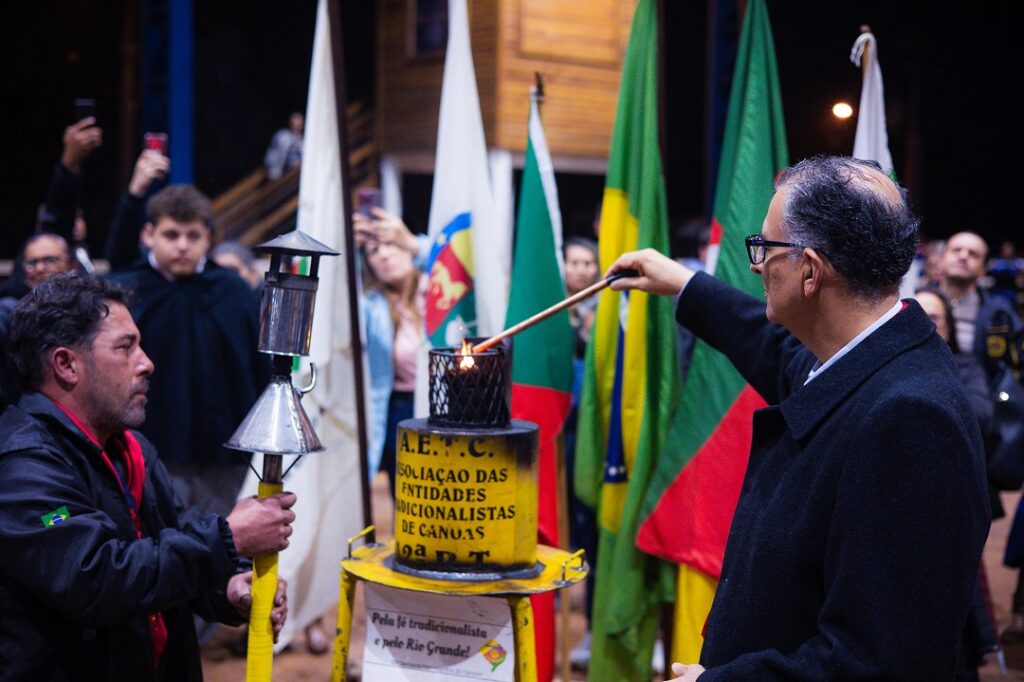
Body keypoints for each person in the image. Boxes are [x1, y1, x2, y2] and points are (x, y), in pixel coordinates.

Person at [606, 156, 989, 680]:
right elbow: (776, 351)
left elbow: (876, 662)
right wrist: (684, 284)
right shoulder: (864, 355)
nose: (757, 265)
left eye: (765, 248)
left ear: (810, 270)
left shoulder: (909, 420)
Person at [0, 274, 293, 680]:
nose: (147, 362)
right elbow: (98, 579)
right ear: (66, 364)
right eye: (126, 347)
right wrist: (227, 539)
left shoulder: (130, 448)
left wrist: (225, 588)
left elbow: (166, 543)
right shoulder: (22, 467)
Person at [353, 207, 428, 495]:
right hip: (399, 408)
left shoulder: (437, 289)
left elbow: (462, 259)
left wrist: (413, 242)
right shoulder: (372, 305)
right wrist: (345, 249)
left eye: (391, 244)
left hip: (446, 405)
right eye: (372, 251)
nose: (383, 255)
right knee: (409, 498)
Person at [939, 231, 1022, 377]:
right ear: (941, 259)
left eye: (973, 254)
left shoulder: (999, 312)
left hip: (979, 393)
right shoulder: (918, 301)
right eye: (956, 250)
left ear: (983, 270)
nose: (963, 256)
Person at [264, 112, 304, 181]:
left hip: (297, 176)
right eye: (295, 124)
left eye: (299, 125)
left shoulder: (303, 140)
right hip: (280, 175)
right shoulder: (283, 136)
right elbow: (274, 155)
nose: (297, 127)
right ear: (290, 124)